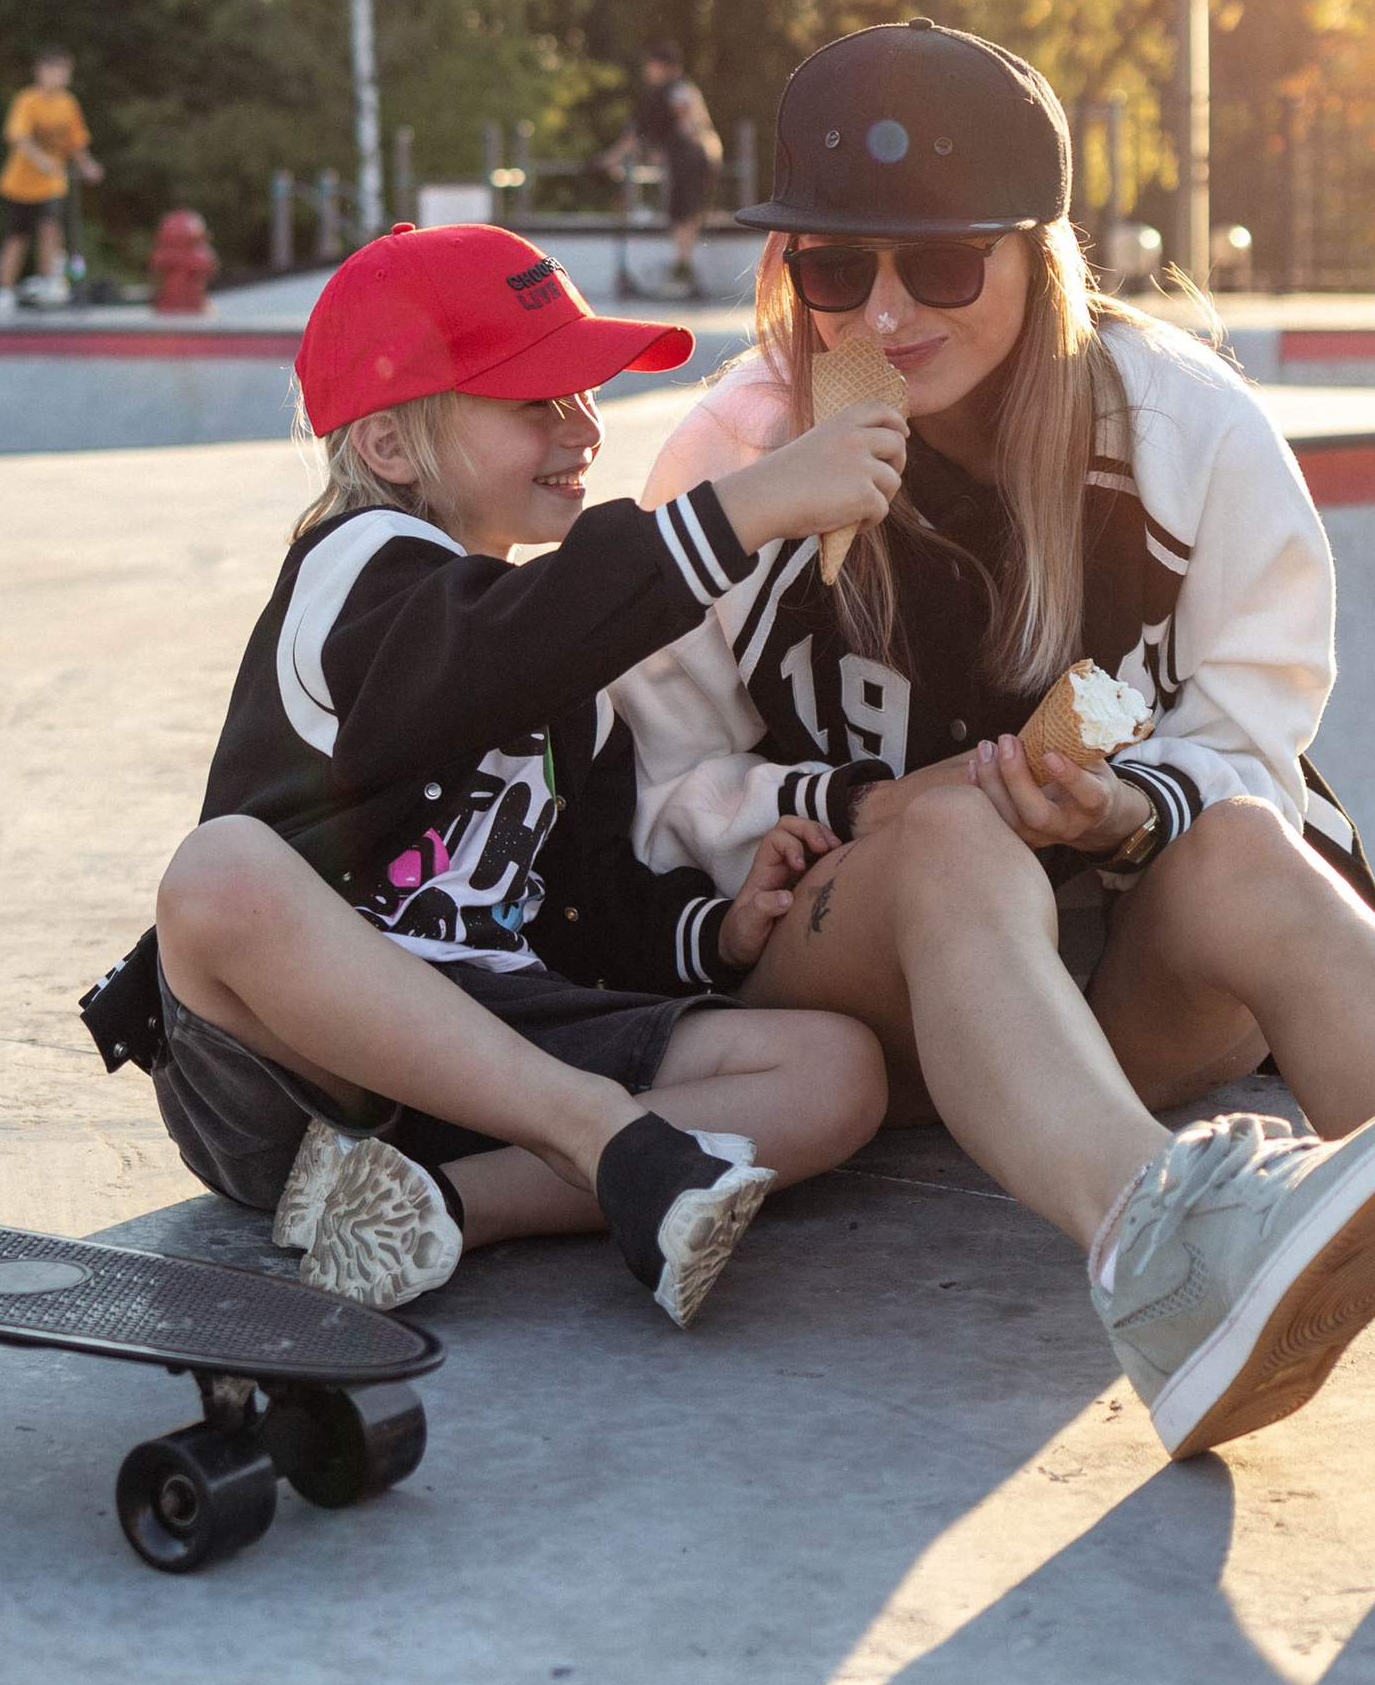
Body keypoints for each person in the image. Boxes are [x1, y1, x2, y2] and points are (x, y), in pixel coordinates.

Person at [615, 18, 1375, 1461]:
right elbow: (663, 779)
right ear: (790, 269)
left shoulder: (1180, 424)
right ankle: (1168, 1262)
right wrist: (866, 807)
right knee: (952, 833)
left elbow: (1262, 710)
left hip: (1127, 996)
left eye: (943, 263)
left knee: (1246, 837)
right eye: (834, 266)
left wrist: (1130, 815)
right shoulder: (738, 452)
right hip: (868, 985)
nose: (884, 315)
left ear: (1037, 252)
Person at [143, 219, 896, 1325]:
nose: (580, 429)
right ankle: (609, 1145)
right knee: (217, 878)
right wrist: (750, 504)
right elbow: (490, 649)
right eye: (532, 401)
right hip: (294, 1071)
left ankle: (440, 1208)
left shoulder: (564, 661)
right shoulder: (355, 570)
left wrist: (715, 930)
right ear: (394, 449)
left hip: (491, 1059)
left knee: (835, 1071)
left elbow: (585, 908)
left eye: (584, 395)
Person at [598, 39, 724, 297]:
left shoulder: (666, 91)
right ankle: (683, 270)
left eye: (650, 65)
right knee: (690, 213)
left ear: (661, 66)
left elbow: (638, 132)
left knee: (681, 215)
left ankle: (682, 273)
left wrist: (611, 158)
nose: (647, 71)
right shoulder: (686, 88)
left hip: (691, 156)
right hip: (708, 152)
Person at [0, 46, 102, 313]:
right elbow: (18, 136)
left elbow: (75, 142)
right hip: (20, 184)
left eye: (66, 72)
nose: (61, 77)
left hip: (52, 183)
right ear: (41, 72)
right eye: (55, 71)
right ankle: (3, 290)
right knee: (17, 237)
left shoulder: (68, 104)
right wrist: (39, 158)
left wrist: (88, 165)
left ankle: (48, 280)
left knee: (51, 228)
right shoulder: (27, 101)